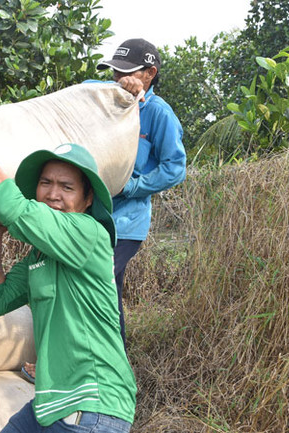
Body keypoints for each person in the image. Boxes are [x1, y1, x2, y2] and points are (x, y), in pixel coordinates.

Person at [0, 121, 137, 433]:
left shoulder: (90, 234)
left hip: (92, 403)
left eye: (67, 187)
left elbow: (12, 207)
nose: (53, 194)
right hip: (51, 404)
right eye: (46, 183)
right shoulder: (39, 257)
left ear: (88, 200)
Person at [95, 38, 187, 348]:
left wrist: (132, 185)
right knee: (110, 292)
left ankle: (85, 365)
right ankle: (116, 363)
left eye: (126, 72)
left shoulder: (158, 114)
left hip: (124, 223)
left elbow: (175, 167)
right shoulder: (105, 98)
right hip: (93, 217)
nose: (118, 79)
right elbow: (83, 88)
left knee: (93, 282)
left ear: (150, 72)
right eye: (114, 73)